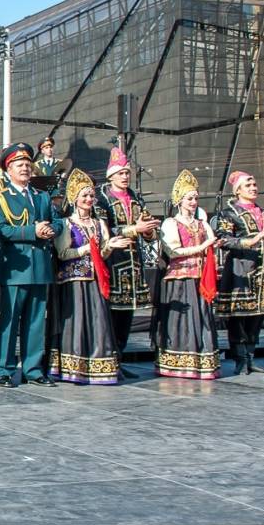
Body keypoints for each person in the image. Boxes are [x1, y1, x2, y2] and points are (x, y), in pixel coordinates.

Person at [0, 142, 64, 387]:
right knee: (10, 321)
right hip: (16, 267)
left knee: (34, 321)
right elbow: (0, 229)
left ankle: (33, 368)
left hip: (40, 266)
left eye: (27, 164)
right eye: (19, 165)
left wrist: (51, 229)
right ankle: (4, 368)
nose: (25, 168)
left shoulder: (41, 196)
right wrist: (33, 231)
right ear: (8, 169)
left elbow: (59, 222)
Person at [49, 169, 131, 385]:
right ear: (75, 199)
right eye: (84, 196)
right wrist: (89, 248)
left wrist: (109, 246)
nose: (88, 199)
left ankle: (98, 365)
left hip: (95, 279)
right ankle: (73, 367)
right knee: (77, 323)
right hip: (74, 281)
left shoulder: (99, 223)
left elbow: (101, 254)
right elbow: (63, 253)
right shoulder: (67, 224)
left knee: (98, 321)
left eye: (91, 196)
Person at [94, 146, 158, 377]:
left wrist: (148, 230)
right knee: (111, 313)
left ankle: (120, 358)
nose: (125, 176)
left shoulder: (134, 196)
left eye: (127, 173)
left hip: (133, 263)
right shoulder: (101, 196)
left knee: (127, 313)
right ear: (111, 175)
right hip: (112, 260)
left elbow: (144, 228)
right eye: (121, 173)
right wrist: (134, 228)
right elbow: (103, 229)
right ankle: (110, 358)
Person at [214, 171, 264, 373]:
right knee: (238, 315)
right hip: (241, 270)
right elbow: (224, 239)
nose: (254, 187)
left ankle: (251, 357)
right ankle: (240, 359)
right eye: (248, 185)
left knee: (258, 314)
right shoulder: (229, 214)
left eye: (254, 184)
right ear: (237, 191)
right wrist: (249, 241)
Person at [154, 170, 221, 380]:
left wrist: (210, 247)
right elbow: (173, 251)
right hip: (180, 278)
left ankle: (202, 360)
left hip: (200, 277)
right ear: (179, 200)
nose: (193, 202)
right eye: (189, 198)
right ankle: (177, 362)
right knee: (181, 320)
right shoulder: (170, 224)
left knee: (202, 318)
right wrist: (202, 246)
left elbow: (211, 241)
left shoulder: (202, 223)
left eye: (195, 198)